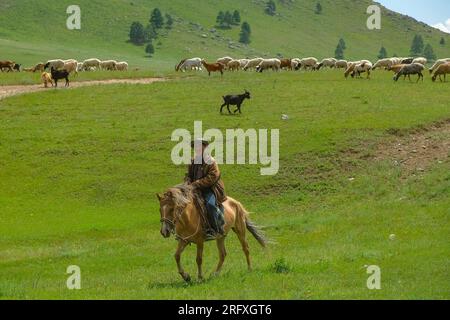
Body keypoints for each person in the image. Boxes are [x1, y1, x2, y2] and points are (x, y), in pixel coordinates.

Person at [185, 139, 226, 239]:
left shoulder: (211, 161)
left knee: (210, 204)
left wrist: (196, 183)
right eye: (195, 147)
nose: (197, 149)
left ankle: (216, 229)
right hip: (195, 189)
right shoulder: (193, 161)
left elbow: (212, 177)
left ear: (205, 147)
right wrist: (187, 182)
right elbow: (189, 175)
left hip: (210, 188)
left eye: (200, 146)